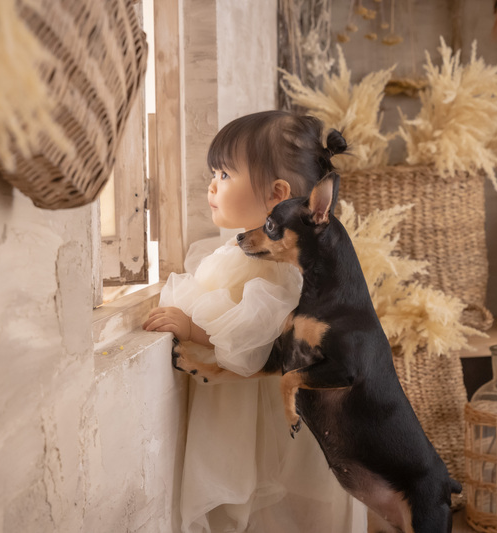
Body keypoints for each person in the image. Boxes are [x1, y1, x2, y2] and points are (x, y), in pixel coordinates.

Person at [143, 110, 360, 533]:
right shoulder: (240, 249)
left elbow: (257, 341)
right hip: (243, 406)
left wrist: (192, 329)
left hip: (261, 413)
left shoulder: (275, 268)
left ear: (277, 195)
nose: (212, 185)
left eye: (224, 174)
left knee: (275, 500)